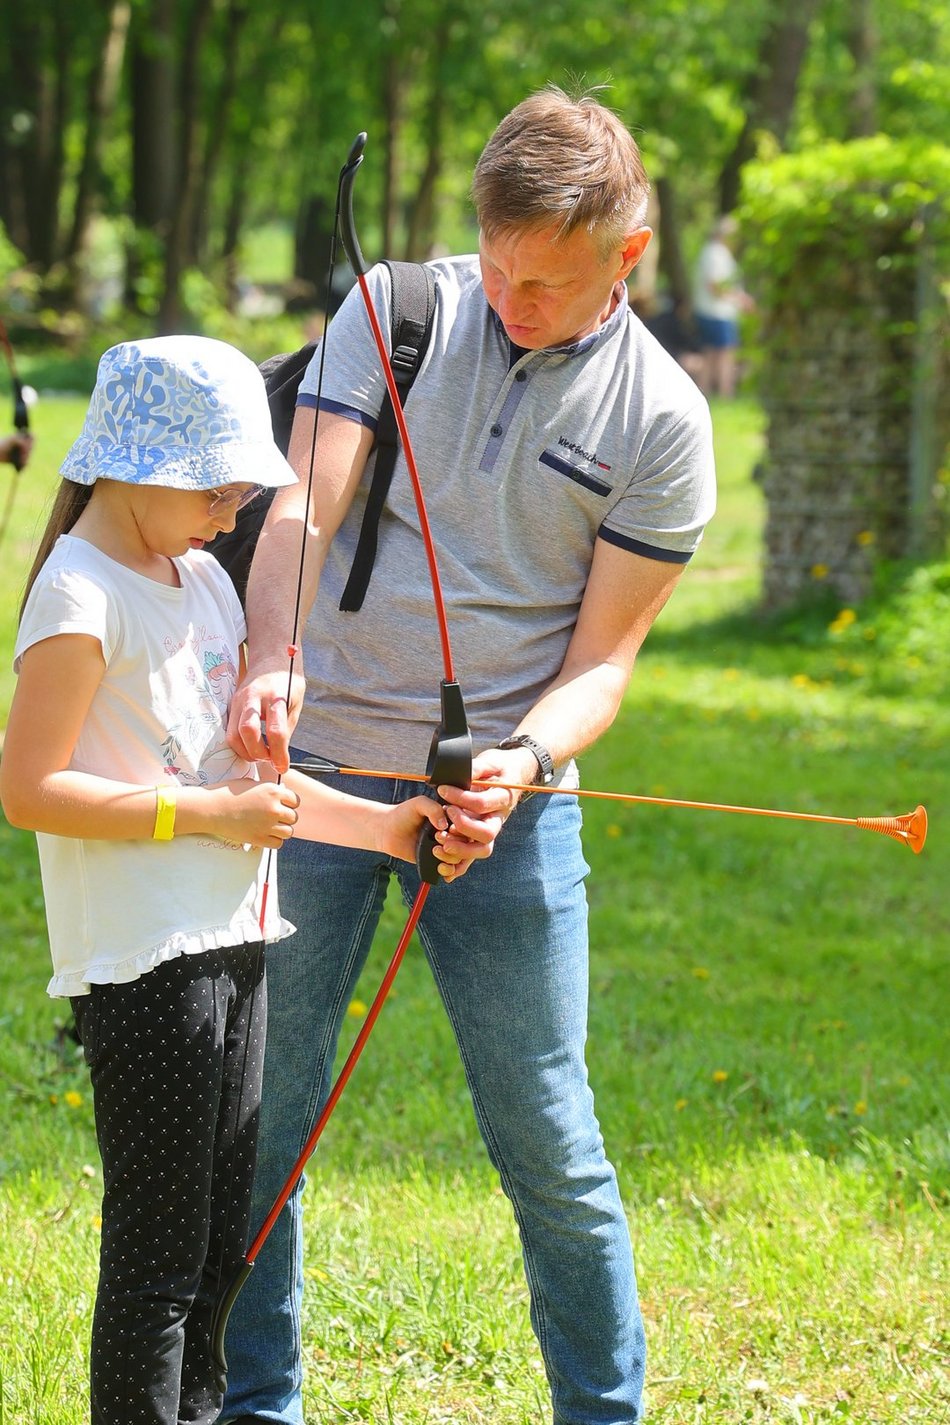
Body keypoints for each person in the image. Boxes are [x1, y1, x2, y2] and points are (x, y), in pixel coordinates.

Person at [223, 86, 716, 1425]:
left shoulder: (662, 419)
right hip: (310, 780)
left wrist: (522, 760)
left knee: (547, 1142)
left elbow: (603, 662)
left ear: (630, 254)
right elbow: (298, 507)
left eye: (547, 282)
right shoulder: (398, 308)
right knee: (261, 1119)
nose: (513, 299)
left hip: (496, 815)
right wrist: (271, 649)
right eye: (498, 265)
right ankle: (253, 1407)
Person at [0, 335, 488, 1425]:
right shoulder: (79, 598)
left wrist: (388, 828)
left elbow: (254, 786)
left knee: (227, 1241)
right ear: (145, 468)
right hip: (146, 961)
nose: (232, 516)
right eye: (219, 492)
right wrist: (207, 814)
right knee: (159, 1259)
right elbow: (29, 790)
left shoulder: (207, 583)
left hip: (235, 938)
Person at [692, 214, 755, 398]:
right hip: (717, 312)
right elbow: (715, 286)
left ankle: (706, 393)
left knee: (710, 353)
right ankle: (726, 393)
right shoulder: (715, 253)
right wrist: (740, 299)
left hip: (714, 311)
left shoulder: (715, 252)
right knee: (725, 354)